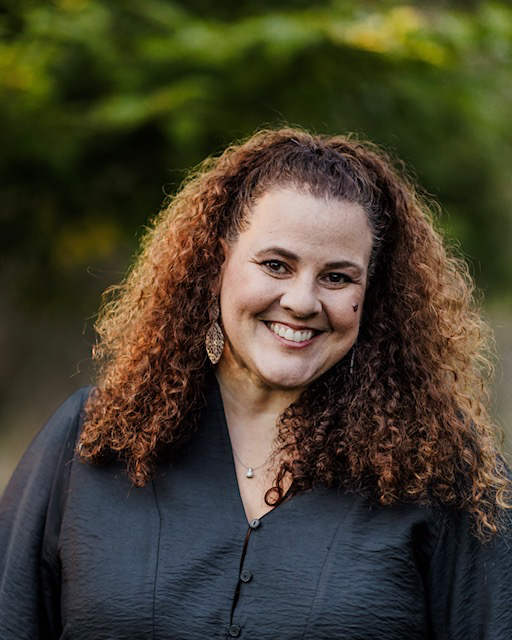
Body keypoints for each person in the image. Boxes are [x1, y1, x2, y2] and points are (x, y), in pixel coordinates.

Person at [1, 128, 511, 639]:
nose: (302, 301)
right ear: (217, 261)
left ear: (373, 294)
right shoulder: (91, 442)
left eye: (337, 277)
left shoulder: (444, 472)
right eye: (275, 265)